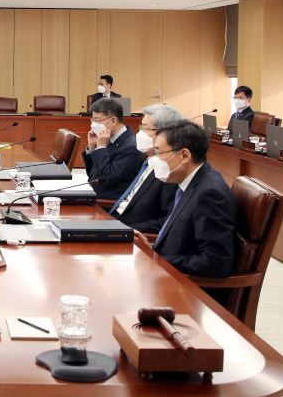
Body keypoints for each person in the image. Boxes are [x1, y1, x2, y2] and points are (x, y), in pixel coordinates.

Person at [149, 120, 237, 278]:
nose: (156, 159)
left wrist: (159, 261)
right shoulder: (189, 181)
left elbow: (216, 263)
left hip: (185, 290)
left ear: (184, 155)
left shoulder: (210, 194)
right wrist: (150, 248)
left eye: (159, 153)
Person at [109, 104, 179, 235]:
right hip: (114, 219)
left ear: (166, 133)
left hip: (131, 234)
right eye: (142, 127)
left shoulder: (169, 170)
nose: (140, 133)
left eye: (146, 128)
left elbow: (167, 222)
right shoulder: (149, 160)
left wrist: (127, 231)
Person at [82, 97, 143, 200]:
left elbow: (107, 178)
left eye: (97, 120)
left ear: (113, 120)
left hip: (108, 201)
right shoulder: (109, 139)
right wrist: (93, 146)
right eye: (93, 119)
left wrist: (101, 148)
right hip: (94, 194)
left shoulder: (130, 146)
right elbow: (93, 175)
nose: (93, 124)